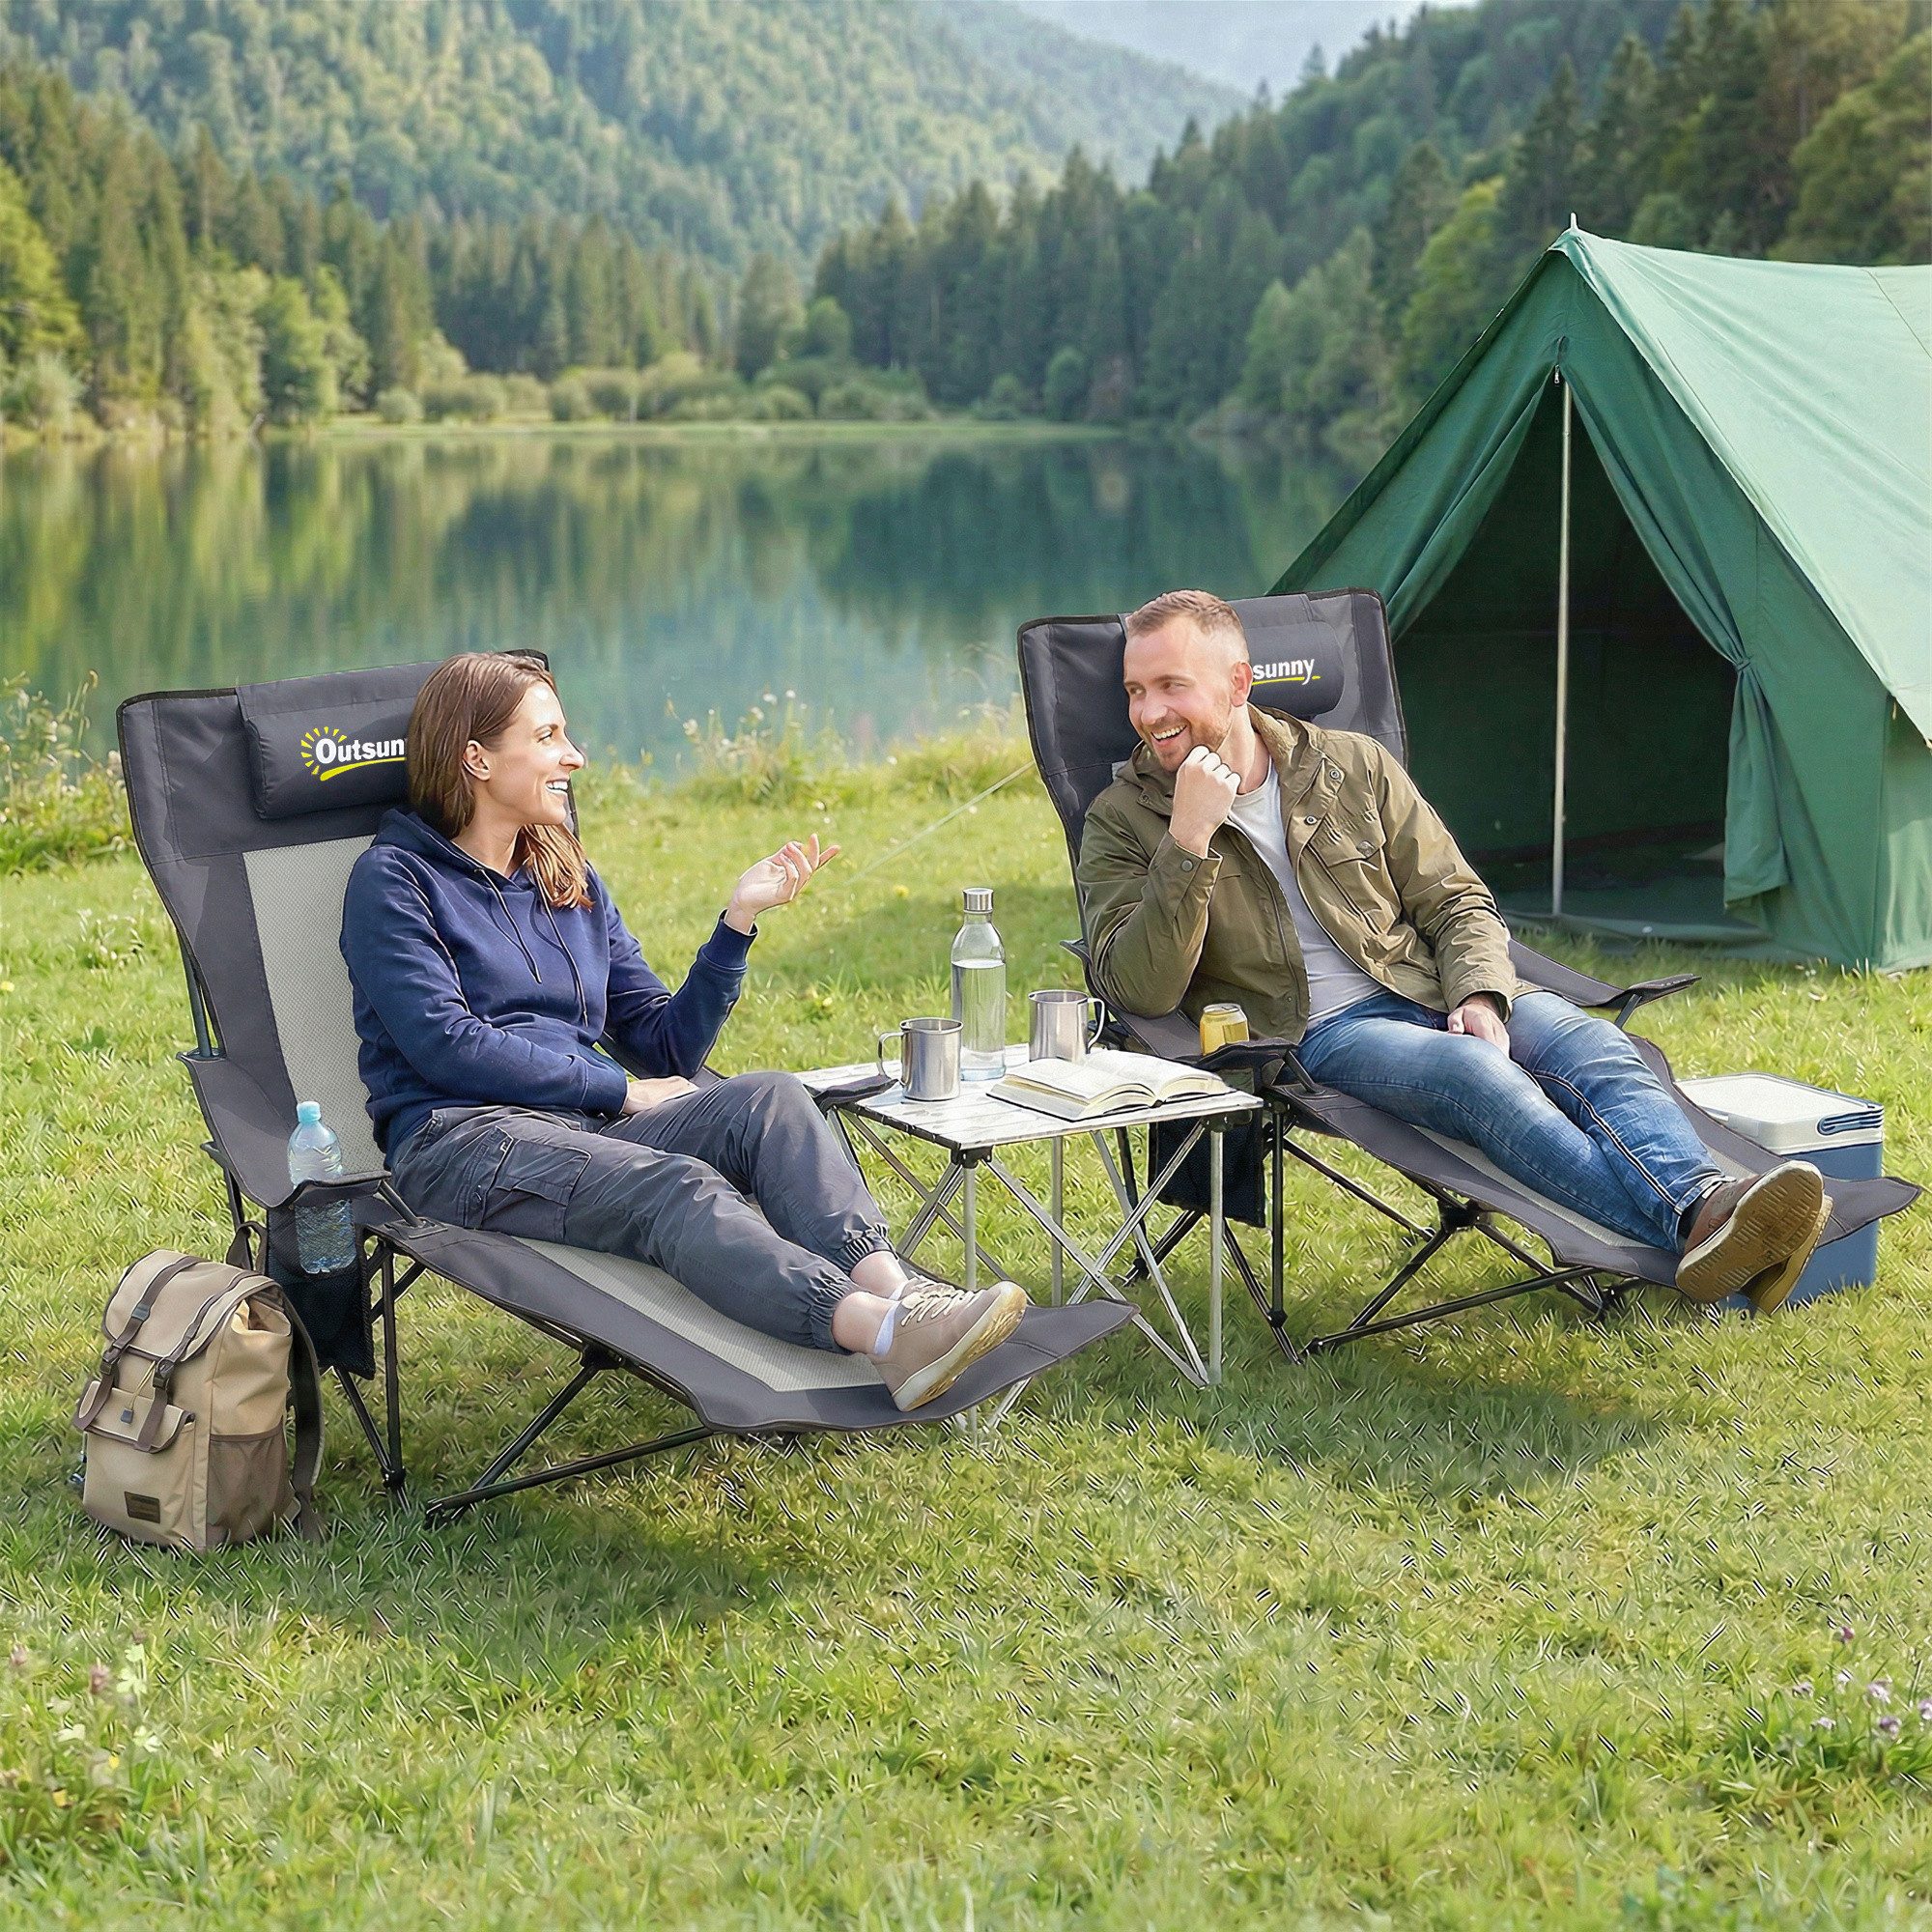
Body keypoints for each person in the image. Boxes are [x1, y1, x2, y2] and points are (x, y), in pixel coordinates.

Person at [1076, 590, 1831, 1311]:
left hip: (1427, 984)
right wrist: (1187, 841)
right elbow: (1140, 989)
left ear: (1239, 683)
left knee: (1593, 1045)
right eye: (1135, 691)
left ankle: (1707, 1206)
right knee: (1478, 1075)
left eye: (1171, 686)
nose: (1148, 714)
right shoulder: (1125, 819)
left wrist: (1478, 992)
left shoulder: (1350, 764)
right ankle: (1700, 1227)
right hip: (1316, 1034)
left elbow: (1455, 898)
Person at [340, 651, 1028, 1409]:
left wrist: (738, 923)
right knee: (676, 1189)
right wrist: (617, 1090)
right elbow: (444, 1041)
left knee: (768, 1099)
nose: (575, 756)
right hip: (463, 1142)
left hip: (583, 1130)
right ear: (476, 757)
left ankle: (906, 1298)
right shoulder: (394, 881)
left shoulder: (565, 875)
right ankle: (888, 1337)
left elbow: (664, 1045)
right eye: (548, 737)